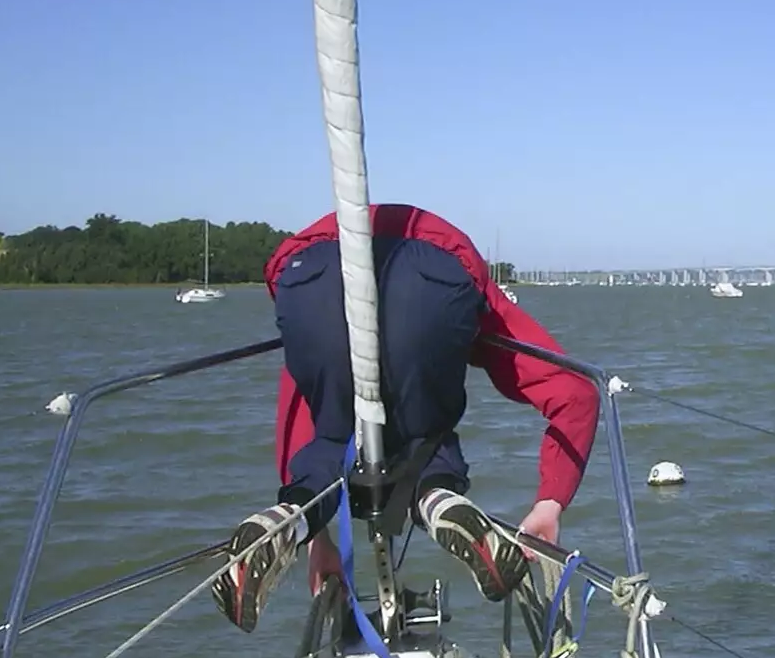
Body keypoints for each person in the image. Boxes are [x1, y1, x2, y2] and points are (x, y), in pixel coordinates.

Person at [211, 204, 600, 633]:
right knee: (424, 432)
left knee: (331, 428)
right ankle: (437, 498)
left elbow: (297, 408)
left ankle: (287, 518)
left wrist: (317, 537)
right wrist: (551, 500)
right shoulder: (460, 266)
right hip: (437, 275)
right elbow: (575, 390)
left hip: (308, 275)